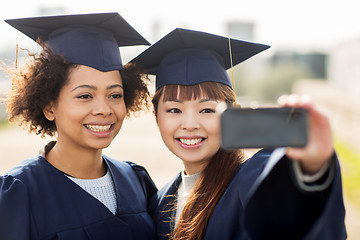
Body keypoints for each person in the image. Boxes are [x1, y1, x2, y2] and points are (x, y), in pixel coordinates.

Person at [131, 28, 347, 239]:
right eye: (174, 110)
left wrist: (312, 168)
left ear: (230, 114)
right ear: (157, 117)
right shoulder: (161, 202)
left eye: (207, 110)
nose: (190, 124)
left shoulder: (252, 181)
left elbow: (294, 214)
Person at [0, 13, 157, 240]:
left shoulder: (136, 180)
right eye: (84, 95)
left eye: (115, 95)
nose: (103, 109)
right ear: (49, 106)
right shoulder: (20, 193)